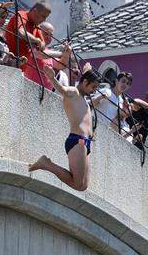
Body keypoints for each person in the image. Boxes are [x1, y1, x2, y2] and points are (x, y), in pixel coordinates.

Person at [28, 46, 102, 192]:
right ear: (85, 83)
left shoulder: (83, 97)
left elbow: (84, 80)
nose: (94, 91)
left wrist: (87, 71)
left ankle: (46, 164)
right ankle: (46, 164)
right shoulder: (74, 92)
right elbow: (62, 90)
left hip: (85, 142)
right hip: (77, 141)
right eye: (93, 87)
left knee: (83, 186)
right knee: (77, 184)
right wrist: (51, 78)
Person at [5, 1, 52, 89]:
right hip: (8, 66)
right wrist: (36, 40)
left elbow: (42, 47)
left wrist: (38, 43)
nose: (44, 20)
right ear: (35, 11)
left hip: (22, 71)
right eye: (43, 16)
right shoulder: (21, 15)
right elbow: (21, 32)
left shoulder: (35, 26)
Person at [91, 71, 132, 135]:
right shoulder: (106, 91)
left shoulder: (121, 101)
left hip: (106, 132)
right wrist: (100, 97)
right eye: (123, 81)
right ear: (116, 81)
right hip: (95, 126)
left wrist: (125, 108)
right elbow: (90, 104)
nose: (125, 85)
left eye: (128, 83)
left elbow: (118, 120)